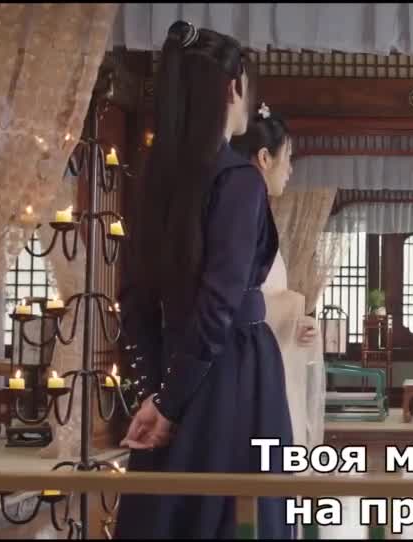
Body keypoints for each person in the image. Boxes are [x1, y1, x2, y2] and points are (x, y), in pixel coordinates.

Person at [114, 20, 293, 539]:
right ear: (234, 88)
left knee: (168, 513)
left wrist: (156, 393)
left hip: (173, 363)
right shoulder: (238, 179)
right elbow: (219, 304)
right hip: (235, 368)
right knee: (239, 513)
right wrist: (169, 403)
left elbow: (135, 300)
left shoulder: (154, 177)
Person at [230, 103, 325, 452]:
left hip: (267, 357)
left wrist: (298, 325)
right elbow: (236, 301)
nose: (291, 169)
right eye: (288, 158)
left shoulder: (256, 214)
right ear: (265, 158)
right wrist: (288, 311)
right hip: (246, 365)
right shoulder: (239, 215)